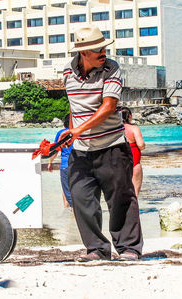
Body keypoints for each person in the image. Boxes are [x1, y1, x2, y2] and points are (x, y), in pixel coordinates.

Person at [59, 24, 143, 262]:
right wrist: (71, 133)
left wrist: (76, 130)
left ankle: (129, 248)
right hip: (81, 150)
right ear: (82, 53)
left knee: (121, 199)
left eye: (104, 48)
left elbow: (108, 107)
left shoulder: (111, 68)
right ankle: (96, 249)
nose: (103, 53)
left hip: (113, 147)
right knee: (81, 198)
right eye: (97, 50)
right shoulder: (67, 72)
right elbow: (75, 107)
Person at [48, 114, 73, 208]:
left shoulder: (61, 133)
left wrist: (50, 162)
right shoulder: (78, 133)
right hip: (78, 165)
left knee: (65, 189)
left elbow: (55, 149)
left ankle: (67, 209)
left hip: (65, 165)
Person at [121, 107, 145, 197]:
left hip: (119, 161)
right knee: (135, 192)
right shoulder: (133, 128)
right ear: (129, 116)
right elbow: (141, 144)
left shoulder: (116, 130)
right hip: (134, 160)